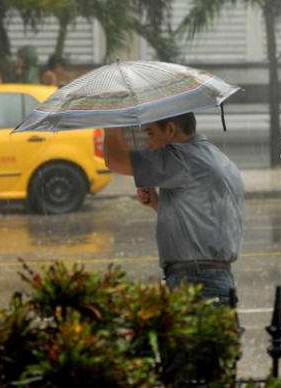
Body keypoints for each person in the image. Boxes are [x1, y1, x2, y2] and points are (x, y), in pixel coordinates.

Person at [103, 112, 244, 306]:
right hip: (216, 282)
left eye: (150, 133)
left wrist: (111, 118)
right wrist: (157, 204)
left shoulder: (183, 158)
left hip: (195, 282)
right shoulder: (219, 160)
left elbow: (115, 159)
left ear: (170, 129)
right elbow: (204, 223)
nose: (148, 144)